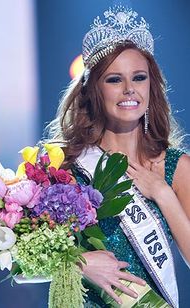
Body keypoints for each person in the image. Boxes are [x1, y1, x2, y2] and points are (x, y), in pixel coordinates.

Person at [44, 6, 190, 307]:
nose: (129, 90)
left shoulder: (177, 167)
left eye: (139, 78)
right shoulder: (66, 167)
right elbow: (22, 263)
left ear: (152, 87)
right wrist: (80, 263)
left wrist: (163, 193)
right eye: (113, 80)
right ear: (93, 90)